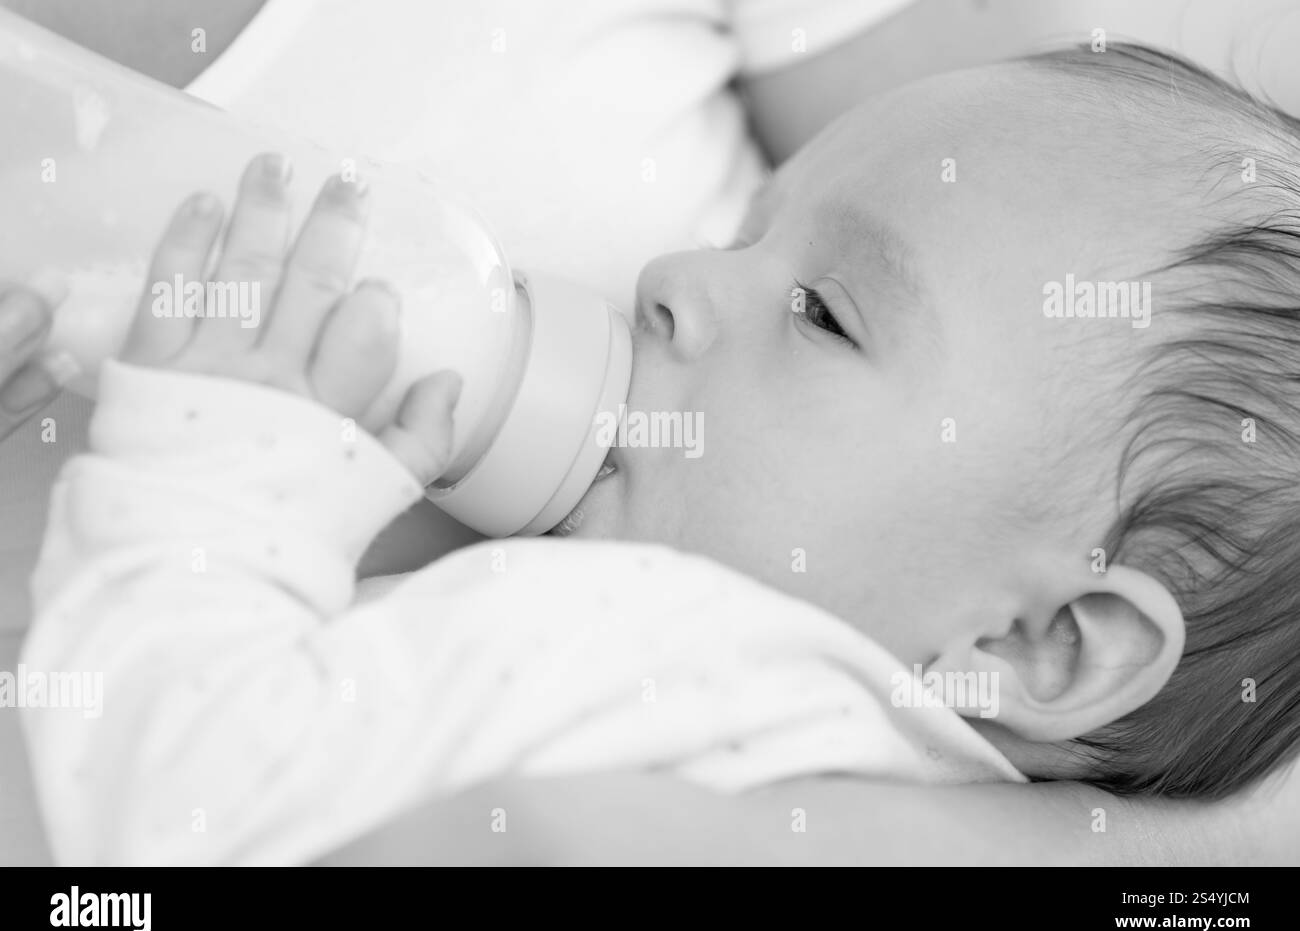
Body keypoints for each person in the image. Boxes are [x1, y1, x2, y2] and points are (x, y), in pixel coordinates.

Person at [5, 0, 1300, 866]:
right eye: (750, 231)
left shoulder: (638, 654)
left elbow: (165, 812)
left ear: (1043, 641)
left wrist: (218, 469)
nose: (674, 276)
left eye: (824, 314)